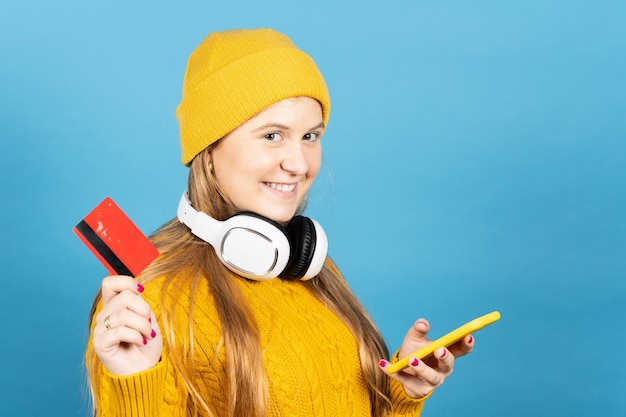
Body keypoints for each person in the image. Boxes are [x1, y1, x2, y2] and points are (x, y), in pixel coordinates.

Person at [86, 28, 474, 417]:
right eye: (272, 135)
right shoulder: (149, 298)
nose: (299, 164)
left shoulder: (306, 268)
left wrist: (399, 397)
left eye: (310, 136)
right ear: (208, 150)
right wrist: (134, 385)